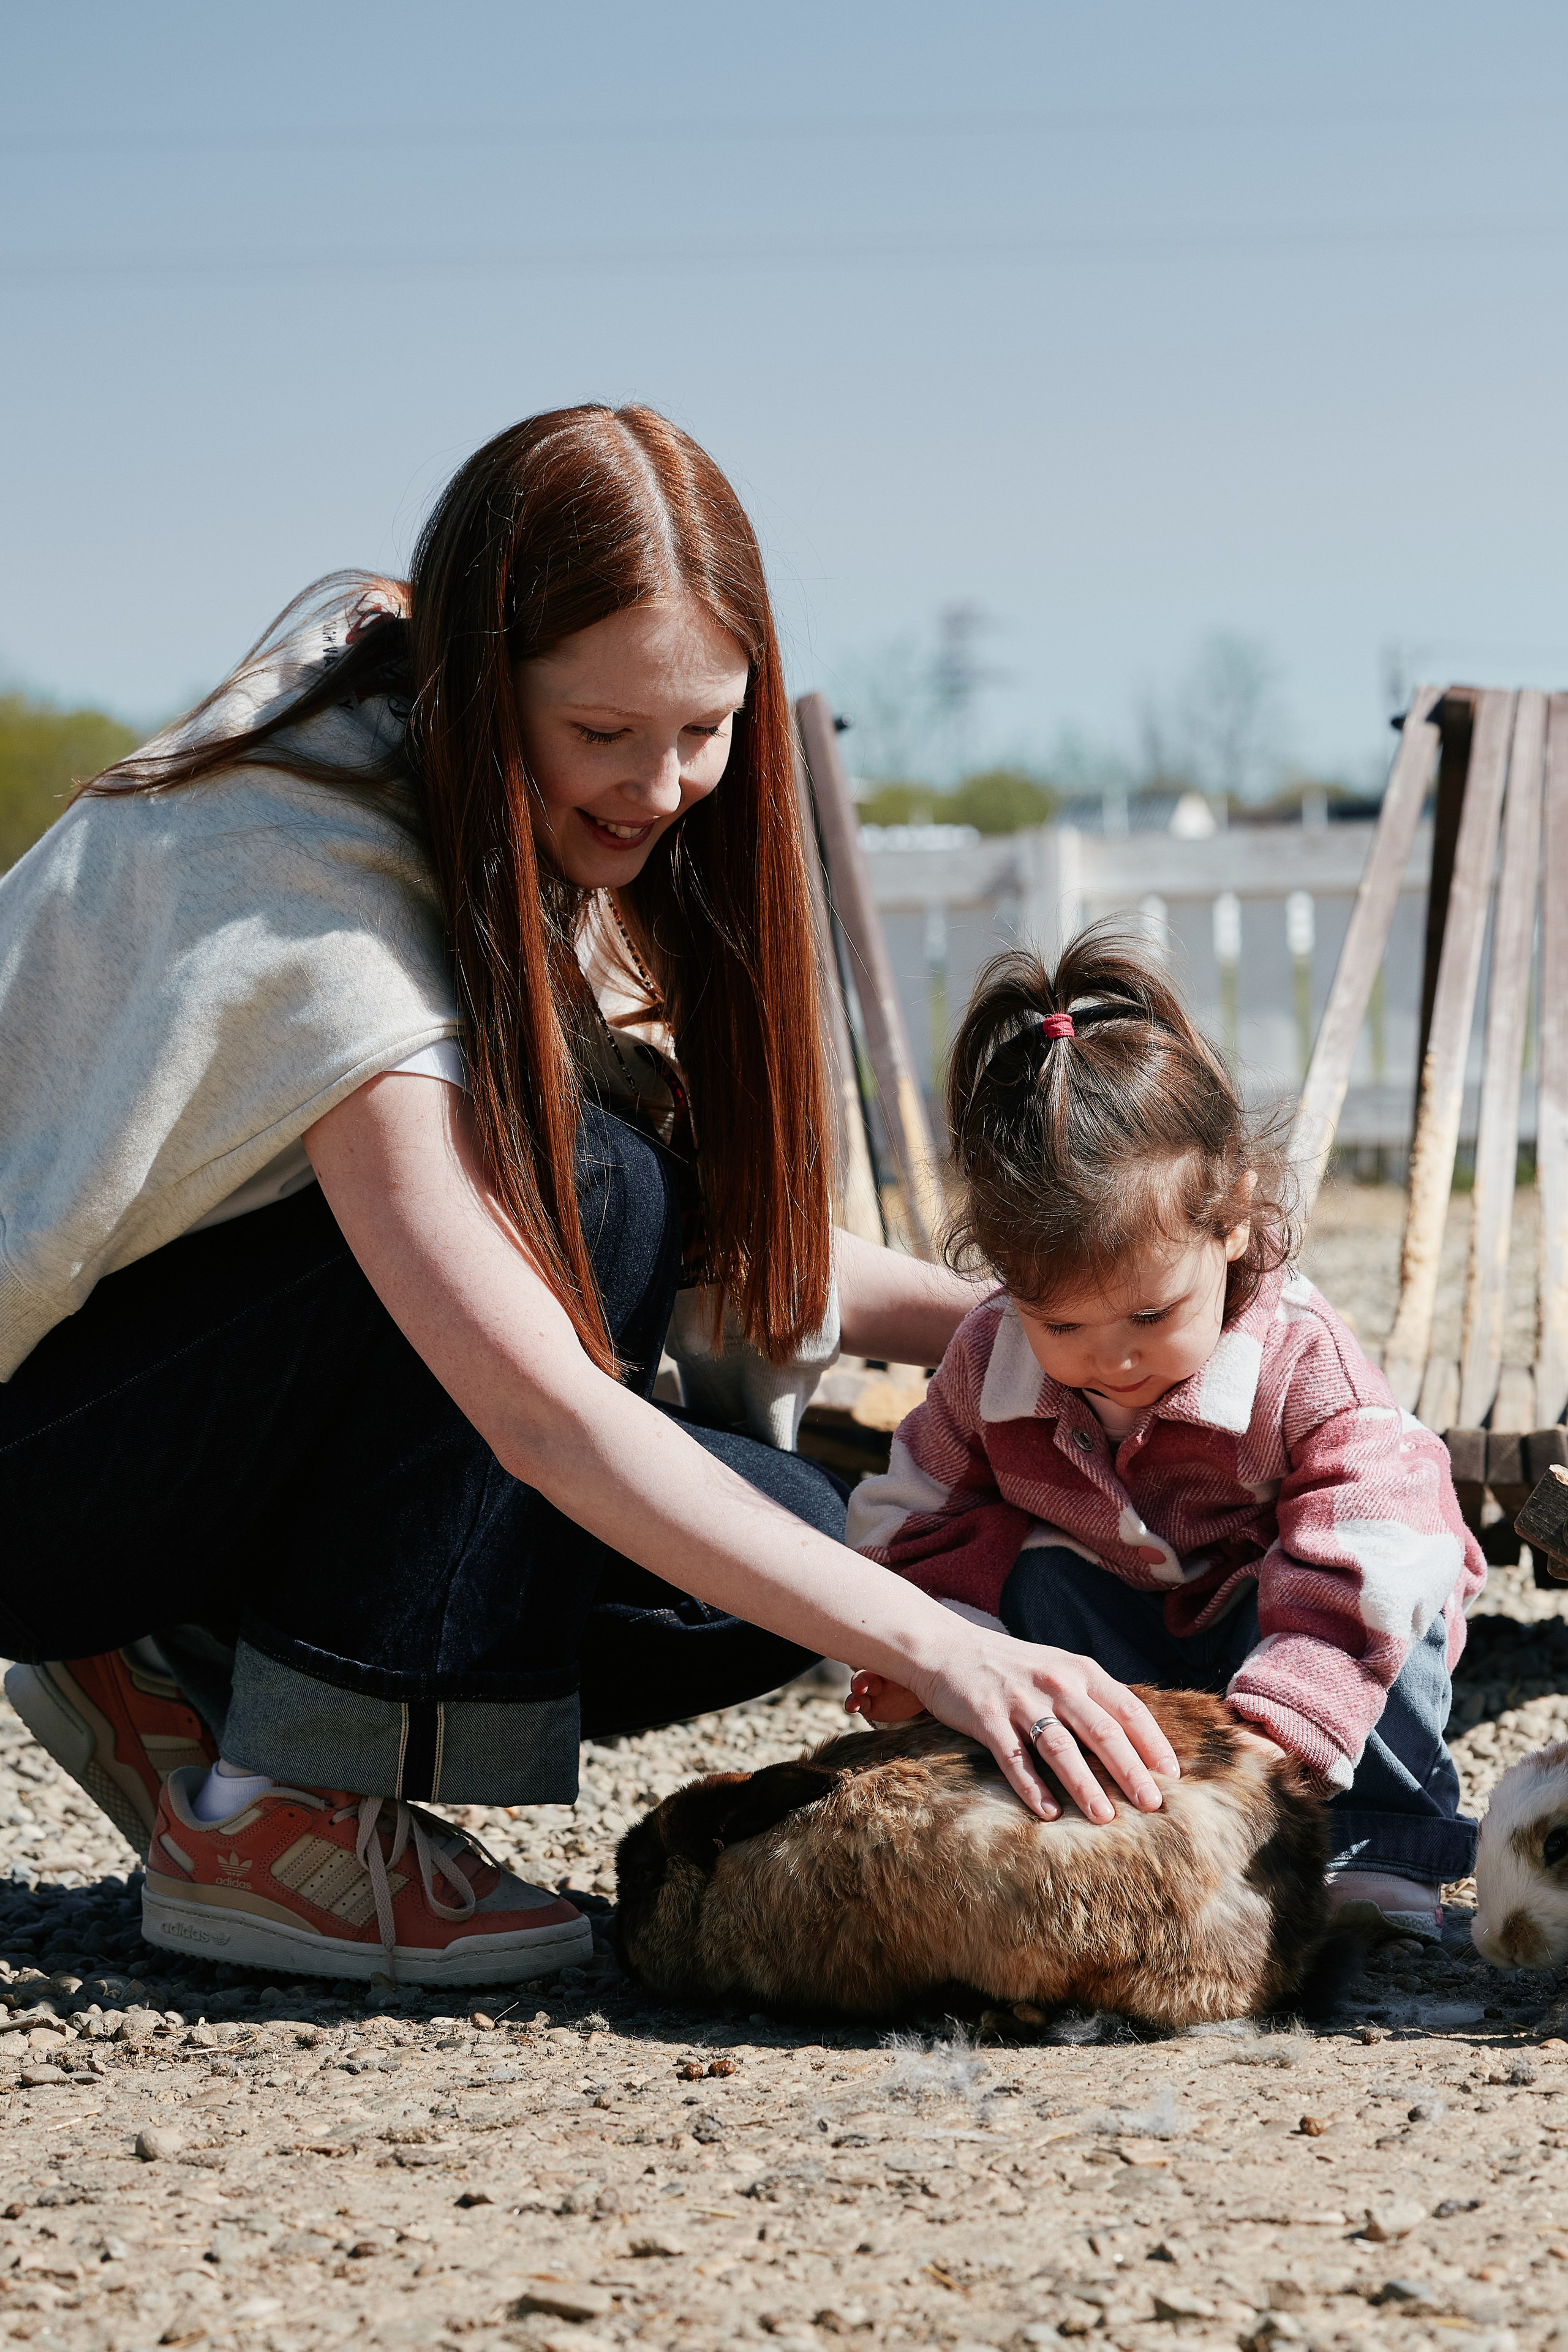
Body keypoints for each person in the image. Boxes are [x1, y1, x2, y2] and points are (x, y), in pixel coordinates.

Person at [0, 405, 1183, 1988]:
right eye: (605, 734)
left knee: (801, 1535)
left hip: (144, 1405)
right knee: (596, 1195)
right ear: (487, 687)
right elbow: (537, 1412)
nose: (664, 783)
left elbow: (725, 1251)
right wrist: (958, 1656)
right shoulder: (327, 913)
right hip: (38, 1456)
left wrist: (1056, 1321)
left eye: (703, 729)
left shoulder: (460, 784)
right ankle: (285, 1820)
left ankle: (184, 1668)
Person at [845, 927, 1484, 1941]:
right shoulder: (987, 1358)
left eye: (1150, 1317)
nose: (1114, 1360)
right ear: (1006, 1281)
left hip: (1282, 1627)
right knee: (1030, 1576)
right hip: (1132, 1654)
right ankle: (1101, 1808)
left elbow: (1378, 1544)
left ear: (1231, 1219)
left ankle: (1377, 1846)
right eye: (1062, 1327)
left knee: (1398, 1596)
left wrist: (1278, 1732)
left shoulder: (1298, 1358)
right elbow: (913, 1509)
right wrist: (918, 1648)